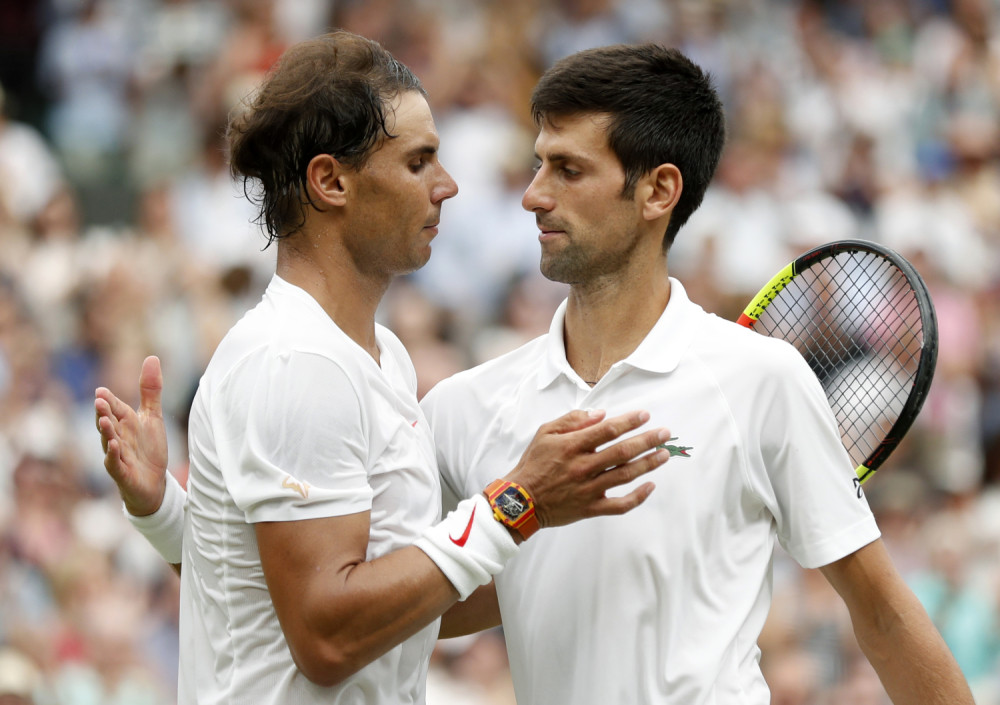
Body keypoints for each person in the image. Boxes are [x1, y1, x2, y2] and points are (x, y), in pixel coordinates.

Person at [97, 42, 976, 705]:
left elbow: (885, 614)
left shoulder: (761, 379)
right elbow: (351, 611)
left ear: (657, 191)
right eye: (536, 164)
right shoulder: (462, 405)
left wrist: (169, 515)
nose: (529, 195)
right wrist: (522, 504)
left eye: (567, 169)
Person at [95, 31, 673, 705]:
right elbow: (326, 636)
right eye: (419, 161)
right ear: (331, 181)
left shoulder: (379, 356)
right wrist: (518, 503)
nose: (448, 186)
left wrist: (568, 533)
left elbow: (343, 603)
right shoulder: (297, 363)